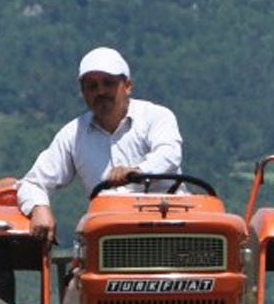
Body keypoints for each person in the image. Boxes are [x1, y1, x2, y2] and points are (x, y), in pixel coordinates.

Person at [16, 46, 184, 243]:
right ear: (83, 92)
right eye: (92, 86)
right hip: (109, 237)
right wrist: (39, 207)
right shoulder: (73, 134)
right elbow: (32, 183)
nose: (101, 91)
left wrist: (137, 171)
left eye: (108, 83)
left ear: (127, 86)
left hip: (169, 225)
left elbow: (169, 154)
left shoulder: (156, 117)